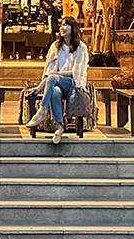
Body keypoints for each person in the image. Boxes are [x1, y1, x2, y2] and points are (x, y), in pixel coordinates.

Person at [26, 15, 88, 144]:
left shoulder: (81, 47)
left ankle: (42, 110)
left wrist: (58, 74)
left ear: (73, 28)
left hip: (72, 83)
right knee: (54, 92)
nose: (62, 28)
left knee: (54, 77)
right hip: (56, 82)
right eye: (61, 25)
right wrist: (39, 88)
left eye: (65, 25)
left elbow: (76, 73)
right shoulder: (56, 46)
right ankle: (59, 127)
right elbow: (50, 72)